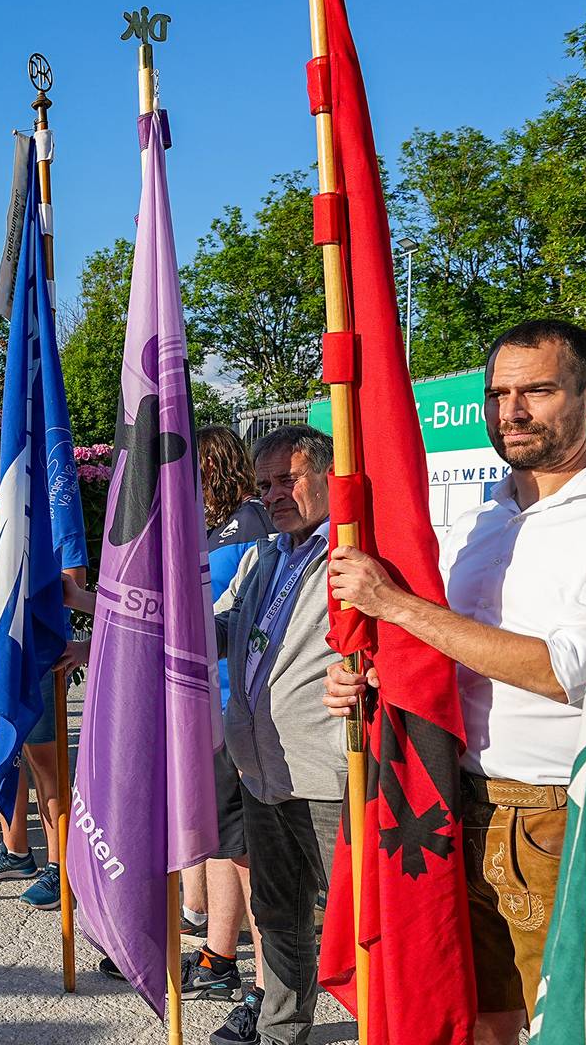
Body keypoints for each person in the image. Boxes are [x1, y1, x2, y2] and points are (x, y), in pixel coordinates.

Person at [322, 320, 586, 1044]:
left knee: (567, 1025)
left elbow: (564, 673)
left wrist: (396, 606)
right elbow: (440, 657)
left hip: (556, 813)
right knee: (472, 1019)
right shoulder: (482, 519)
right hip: (453, 801)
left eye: (537, 391)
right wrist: (373, 685)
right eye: (498, 394)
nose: (511, 411)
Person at [212, 425, 349, 1045]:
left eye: (286, 480)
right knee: (276, 913)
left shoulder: (354, 552)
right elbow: (213, 632)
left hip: (327, 774)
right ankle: (281, 1028)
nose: (271, 495)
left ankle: (383, 1023)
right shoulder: (261, 555)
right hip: (261, 770)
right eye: (263, 484)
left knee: (356, 919)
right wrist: (108, 631)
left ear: (325, 474)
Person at [0, 492, 92, 910]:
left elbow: (70, 586)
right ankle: (15, 851)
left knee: (43, 762)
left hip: (31, 657)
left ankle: (61, 864)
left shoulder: (52, 509)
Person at [183, 423, 270, 1026]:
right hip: (205, 706)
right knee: (219, 835)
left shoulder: (246, 530)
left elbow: (226, 621)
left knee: (243, 847)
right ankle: (218, 954)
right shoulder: (217, 529)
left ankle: (262, 986)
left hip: (232, 705)